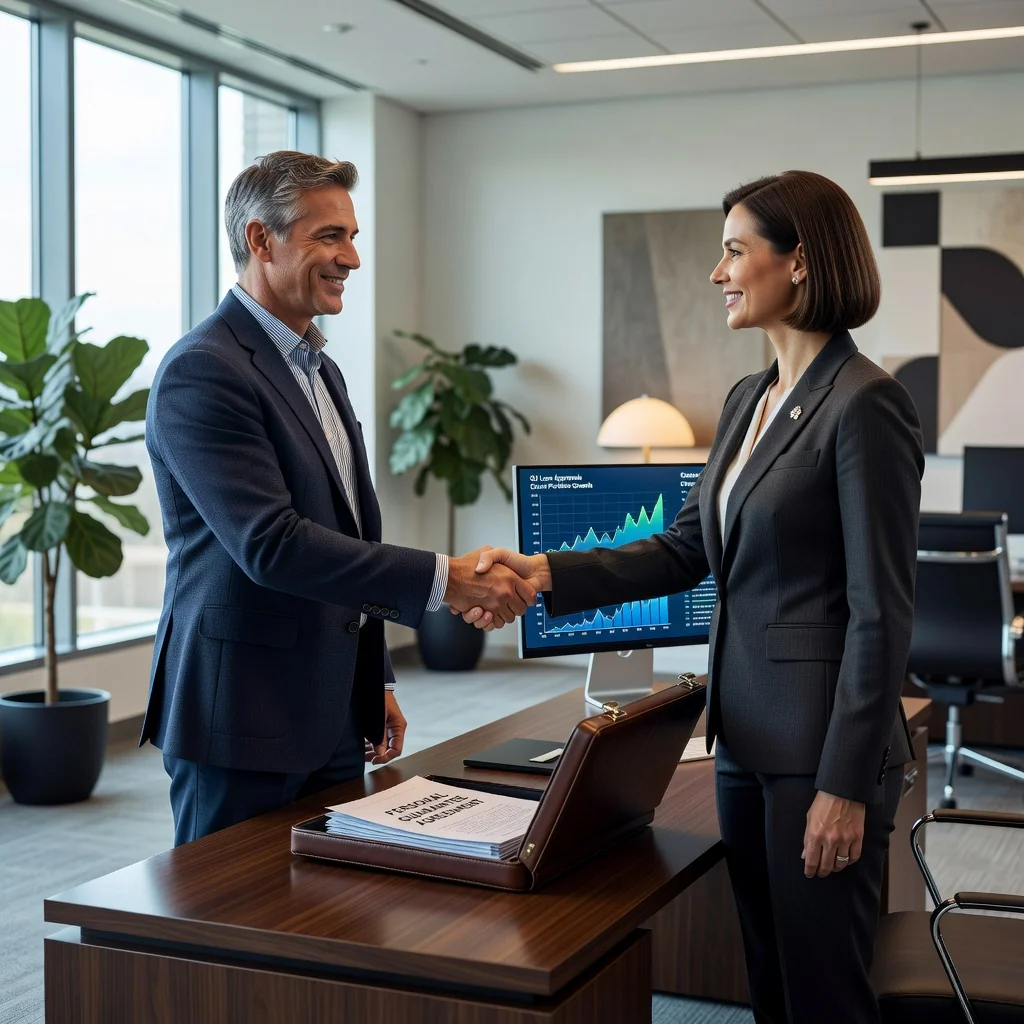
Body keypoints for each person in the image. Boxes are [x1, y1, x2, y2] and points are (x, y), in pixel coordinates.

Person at [464, 171, 924, 1024]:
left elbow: (882, 612)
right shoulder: (751, 398)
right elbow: (684, 550)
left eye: (735, 251)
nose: (717, 272)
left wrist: (846, 785)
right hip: (746, 739)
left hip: (821, 755)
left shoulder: (865, 404)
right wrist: (544, 572)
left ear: (801, 264)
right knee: (772, 982)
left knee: (826, 993)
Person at [142, 151, 534, 847]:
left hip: (329, 708)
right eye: (329, 236)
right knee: (226, 929)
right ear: (261, 240)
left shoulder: (320, 369)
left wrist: (373, 675)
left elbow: (346, 531)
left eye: (352, 237)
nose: (351, 257)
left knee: (324, 916)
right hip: (243, 716)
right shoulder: (203, 370)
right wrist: (446, 579)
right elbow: (273, 543)